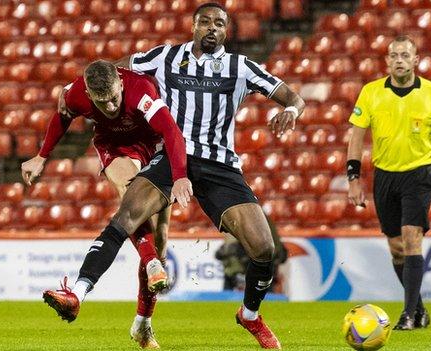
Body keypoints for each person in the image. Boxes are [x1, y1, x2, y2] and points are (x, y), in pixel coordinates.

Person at [50, 3, 304, 349]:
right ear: (194, 26)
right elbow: (113, 71)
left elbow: (292, 96)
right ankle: (77, 293)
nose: (212, 28)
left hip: (220, 166)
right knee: (126, 216)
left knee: (264, 249)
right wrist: (71, 90)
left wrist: (290, 109)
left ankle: (250, 315)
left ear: (226, 31)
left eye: (220, 23)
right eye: (206, 22)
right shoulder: (164, 57)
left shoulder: (240, 67)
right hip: (172, 158)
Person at [28, 60, 192, 348]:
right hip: (114, 145)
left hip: (153, 145)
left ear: (120, 81)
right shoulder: (76, 93)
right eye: (103, 103)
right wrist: (42, 156)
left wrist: (179, 176)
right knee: (128, 193)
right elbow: (63, 115)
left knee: (162, 235)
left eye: (115, 97)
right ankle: (151, 261)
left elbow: (170, 131)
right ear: (90, 96)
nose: (112, 107)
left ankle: (143, 323)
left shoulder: (141, 90)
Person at [346, 35, 431, 330]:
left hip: (419, 174)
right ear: (387, 61)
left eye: (405, 54)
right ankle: (420, 309)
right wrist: (353, 178)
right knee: (397, 247)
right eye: (393, 55)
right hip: (384, 175)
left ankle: (409, 315)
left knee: (412, 237)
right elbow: (357, 137)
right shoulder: (371, 92)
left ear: (416, 60)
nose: (399, 59)